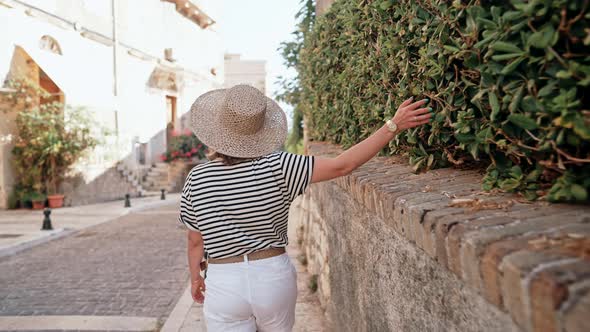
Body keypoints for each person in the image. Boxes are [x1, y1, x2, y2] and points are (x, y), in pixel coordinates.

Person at [178, 84, 431, 331]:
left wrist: (195, 277)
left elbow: (194, 241)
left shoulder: (197, 177)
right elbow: (343, 165)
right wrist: (393, 126)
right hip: (272, 278)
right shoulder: (280, 166)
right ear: (260, 130)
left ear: (218, 130)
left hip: (224, 282)